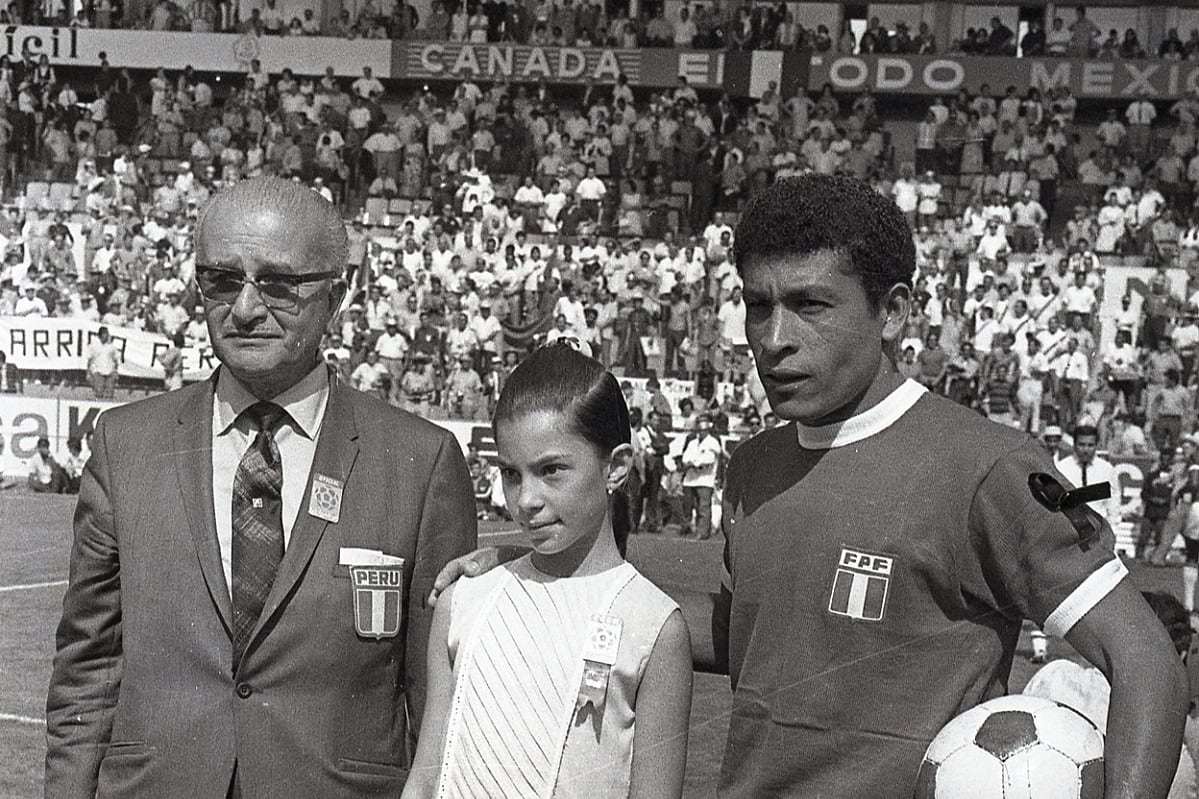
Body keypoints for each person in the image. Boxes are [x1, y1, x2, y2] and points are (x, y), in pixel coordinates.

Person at [433, 176, 1187, 797]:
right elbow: (745, 632)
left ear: (892, 311)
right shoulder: (754, 466)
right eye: (757, 304)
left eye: (810, 305)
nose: (773, 336)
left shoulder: (983, 464)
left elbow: (1144, 658)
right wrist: (544, 579)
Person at [45, 177, 478, 798]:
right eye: (223, 280)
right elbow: (87, 669)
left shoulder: (419, 460)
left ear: (339, 293)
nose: (245, 308)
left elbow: (442, 697)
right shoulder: (125, 445)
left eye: (278, 282)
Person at [401, 344, 691, 799]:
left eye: (551, 470)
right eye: (511, 474)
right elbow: (425, 778)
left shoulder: (654, 625)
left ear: (615, 467)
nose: (526, 499)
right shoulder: (465, 600)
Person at [85, 326, 122, 399]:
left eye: (107, 334)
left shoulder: (111, 346)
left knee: (109, 394)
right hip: (98, 372)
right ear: (101, 335)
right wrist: (88, 372)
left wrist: (115, 371)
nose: (107, 335)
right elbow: (89, 358)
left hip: (109, 372)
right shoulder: (94, 345)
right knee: (99, 393)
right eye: (105, 334)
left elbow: (116, 359)